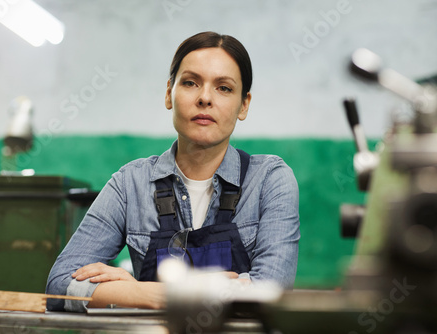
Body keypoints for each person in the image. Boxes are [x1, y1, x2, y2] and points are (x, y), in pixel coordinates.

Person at [46, 31, 300, 312]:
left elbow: (271, 291)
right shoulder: (130, 184)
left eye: (224, 88)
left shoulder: (269, 180)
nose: (205, 98)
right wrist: (161, 294)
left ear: (244, 105)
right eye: (191, 83)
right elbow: (60, 284)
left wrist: (133, 290)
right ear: (169, 94)